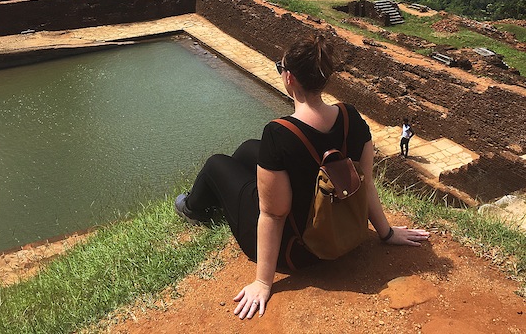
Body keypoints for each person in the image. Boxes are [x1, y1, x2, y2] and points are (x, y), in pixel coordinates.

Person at [174, 33, 431, 319]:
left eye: (280, 68)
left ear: (289, 78)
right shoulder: (351, 117)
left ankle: (192, 208)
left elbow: (273, 215)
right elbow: (365, 181)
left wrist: (262, 282)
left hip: (298, 251)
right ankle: (223, 195)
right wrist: (387, 232)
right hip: (343, 229)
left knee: (216, 164)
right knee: (248, 150)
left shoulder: (279, 132)